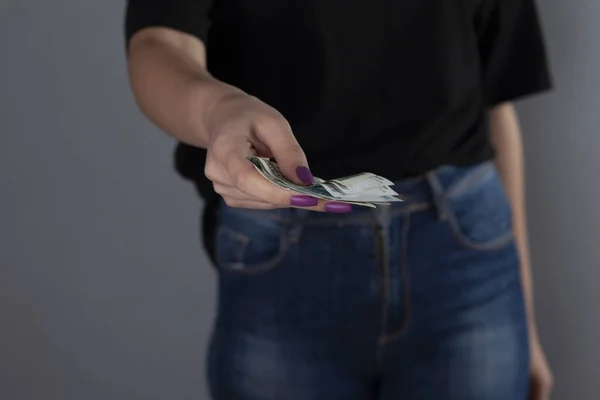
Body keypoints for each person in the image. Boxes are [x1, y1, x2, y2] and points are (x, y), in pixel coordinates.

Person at [124, 0, 554, 398]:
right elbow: (160, 41)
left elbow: (495, 102)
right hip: (283, 260)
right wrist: (218, 112)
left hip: (466, 255)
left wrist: (523, 310)